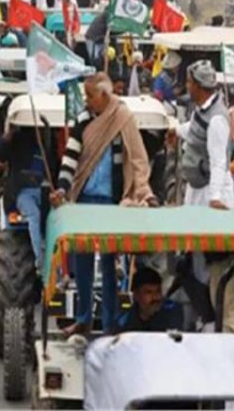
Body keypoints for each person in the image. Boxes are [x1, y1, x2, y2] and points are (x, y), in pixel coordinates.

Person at [51, 73, 158, 336]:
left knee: (110, 265)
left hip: (112, 201)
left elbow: (138, 158)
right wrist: (63, 188)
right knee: (83, 264)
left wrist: (144, 192)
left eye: (90, 96)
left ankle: (110, 324)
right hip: (85, 199)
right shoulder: (84, 120)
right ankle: (84, 319)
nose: (87, 101)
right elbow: (71, 158)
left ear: (104, 96)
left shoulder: (123, 118)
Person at [167, 60, 234, 328]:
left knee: (208, 261)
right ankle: (198, 314)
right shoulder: (200, 111)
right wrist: (175, 130)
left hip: (210, 191)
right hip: (195, 190)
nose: (186, 86)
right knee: (191, 256)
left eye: (189, 82)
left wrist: (215, 198)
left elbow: (220, 161)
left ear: (199, 86)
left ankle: (210, 318)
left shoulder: (218, 118)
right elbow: (192, 131)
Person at [0, 124, 55, 270]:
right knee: (34, 215)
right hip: (23, 192)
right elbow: (0, 156)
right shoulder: (17, 141)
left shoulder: (48, 144)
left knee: (56, 217)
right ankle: (41, 260)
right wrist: (6, 137)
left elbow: (54, 168)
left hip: (44, 191)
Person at [115, 267, 184, 333]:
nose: (155, 297)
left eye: (158, 291)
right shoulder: (124, 322)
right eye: (148, 292)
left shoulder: (172, 316)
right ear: (136, 295)